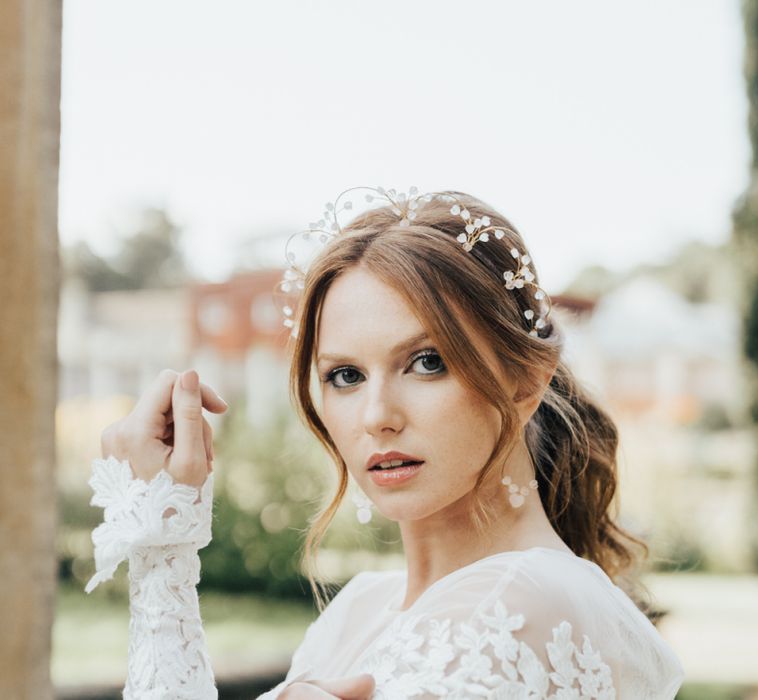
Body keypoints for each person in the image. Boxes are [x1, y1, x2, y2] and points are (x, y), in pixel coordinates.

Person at [86, 188, 686, 699]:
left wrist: (163, 551)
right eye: (345, 376)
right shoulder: (360, 610)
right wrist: (160, 549)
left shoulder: (519, 602)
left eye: (427, 363)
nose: (377, 417)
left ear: (525, 380)